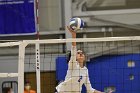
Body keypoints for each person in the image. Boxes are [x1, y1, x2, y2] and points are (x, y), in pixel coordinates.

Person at [56, 26, 104, 93]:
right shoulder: (73, 64)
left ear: (84, 57)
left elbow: (90, 89)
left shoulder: (85, 70)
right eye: (78, 53)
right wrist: (73, 35)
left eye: (82, 53)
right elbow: (73, 48)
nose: (81, 54)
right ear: (75, 56)